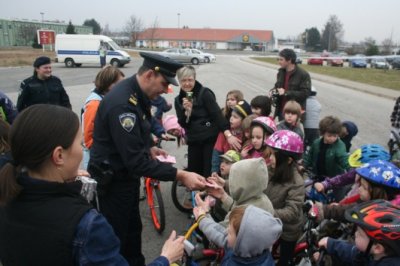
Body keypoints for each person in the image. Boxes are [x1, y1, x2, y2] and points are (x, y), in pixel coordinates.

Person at [0, 104, 185, 266]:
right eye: (80, 144)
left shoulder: (8, 195)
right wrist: (166, 258)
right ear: (59, 156)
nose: (82, 151)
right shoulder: (86, 224)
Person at [88, 52, 206, 266]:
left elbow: (141, 128)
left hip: (126, 178)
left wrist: (149, 147)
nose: (165, 90)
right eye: (163, 84)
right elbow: (135, 162)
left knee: (133, 232)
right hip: (114, 184)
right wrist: (180, 175)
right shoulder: (123, 104)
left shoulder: (137, 94)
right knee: (118, 238)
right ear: (150, 74)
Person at [175, 65, 229, 177]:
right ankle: (195, 194)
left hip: (209, 139)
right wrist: (187, 113)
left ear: (195, 79)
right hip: (194, 140)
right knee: (194, 172)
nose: (187, 84)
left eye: (190, 80)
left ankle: (209, 193)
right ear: (179, 81)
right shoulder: (178, 100)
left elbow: (217, 115)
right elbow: (182, 123)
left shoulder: (204, 93)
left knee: (208, 172)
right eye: (183, 80)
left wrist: (227, 134)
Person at [264, 130, 305, 266]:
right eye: (269, 154)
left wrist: (266, 211)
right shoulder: (269, 169)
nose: (270, 159)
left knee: (284, 259)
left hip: (287, 228)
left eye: (274, 156)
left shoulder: (296, 183)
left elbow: (292, 212)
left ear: (288, 160)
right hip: (268, 220)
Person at [315, 200, 400, 265]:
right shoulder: (372, 253)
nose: (355, 233)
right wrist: (331, 244)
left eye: (359, 233)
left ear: (377, 248)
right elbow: (356, 254)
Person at [193, 204, 282, 266]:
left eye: (230, 232)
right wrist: (203, 219)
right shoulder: (250, 248)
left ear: (243, 244)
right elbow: (220, 234)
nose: (226, 230)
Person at [205, 158, 275, 227]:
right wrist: (223, 196)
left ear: (244, 182)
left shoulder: (240, 216)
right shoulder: (261, 199)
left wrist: (203, 215)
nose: (230, 182)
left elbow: (219, 234)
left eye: (233, 178)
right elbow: (237, 208)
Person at [81, 66, 125, 169]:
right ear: (108, 84)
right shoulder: (94, 104)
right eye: (119, 84)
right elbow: (89, 138)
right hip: (98, 160)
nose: (123, 87)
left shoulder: (109, 98)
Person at [303, 115, 350, 200]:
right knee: (314, 194)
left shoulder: (339, 146)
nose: (332, 138)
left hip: (334, 178)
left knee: (338, 198)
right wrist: (304, 165)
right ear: (323, 133)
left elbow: (343, 158)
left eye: (335, 136)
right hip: (318, 175)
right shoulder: (316, 143)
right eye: (329, 135)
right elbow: (309, 156)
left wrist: (350, 167)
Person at [211, 100, 251, 174]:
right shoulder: (224, 133)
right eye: (231, 115)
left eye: (235, 117)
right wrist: (214, 171)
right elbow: (217, 152)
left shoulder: (246, 136)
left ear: (244, 121)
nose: (231, 119)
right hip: (224, 171)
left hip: (238, 173)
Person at [270, 48, 311, 121]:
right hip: (281, 112)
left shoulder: (303, 74)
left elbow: (305, 93)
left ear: (289, 60)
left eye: (281, 59)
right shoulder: (281, 72)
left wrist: (287, 93)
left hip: (294, 114)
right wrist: (273, 91)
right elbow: (277, 86)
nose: (279, 62)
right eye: (278, 59)